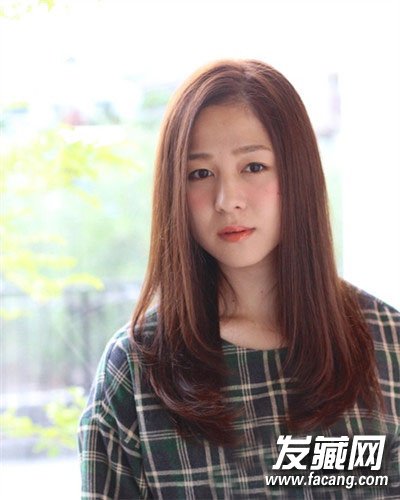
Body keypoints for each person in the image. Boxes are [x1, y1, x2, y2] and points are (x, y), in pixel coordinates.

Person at [78, 59, 399, 499]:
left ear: (298, 172)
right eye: (200, 174)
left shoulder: (388, 344)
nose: (228, 200)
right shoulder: (135, 371)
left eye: (254, 167)